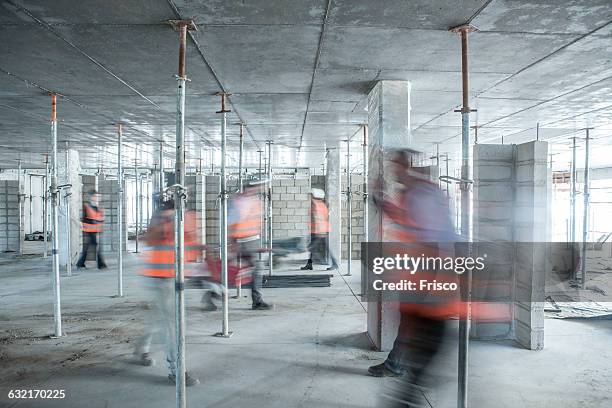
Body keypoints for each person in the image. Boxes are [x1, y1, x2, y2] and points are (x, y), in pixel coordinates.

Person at [367, 149, 457, 407]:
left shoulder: (422, 194)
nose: (392, 171)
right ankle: (401, 371)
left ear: (406, 166)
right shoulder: (414, 192)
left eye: (395, 165)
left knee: (426, 345)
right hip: (420, 282)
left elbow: (431, 237)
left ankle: (406, 382)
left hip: (430, 284)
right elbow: (405, 220)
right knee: (416, 334)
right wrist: (380, 199)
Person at [133, 198, 200, 386]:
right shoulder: (161, 216)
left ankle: (141, 348)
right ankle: (176, 370)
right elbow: (148, 239)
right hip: (160, 277)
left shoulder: (188, 215)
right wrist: (166, 220)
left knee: (159, 317)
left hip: (177, 277)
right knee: (172, 324)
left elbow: (191, 241)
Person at [228, 181, 271, 310]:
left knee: (253, 270)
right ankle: (257, 301)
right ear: (247, 189)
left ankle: (257, 300)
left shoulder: (254, 201)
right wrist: (232, 242)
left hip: (252, 241)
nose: (257, 191)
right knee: (251, 270)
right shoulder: (239, 203)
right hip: (242, 241)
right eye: (254, 189)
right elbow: (231, 222)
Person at [300, 188, 339, 271]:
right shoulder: (321, 204)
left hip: (319, 231)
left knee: (313, 248)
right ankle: (309, 264)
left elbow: (318, 218)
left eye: (311, 195)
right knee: (315, 249)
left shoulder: (315, 204)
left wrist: (319, 233)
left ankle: (335, 263)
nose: (309, 196)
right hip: (320, 230)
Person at [76, 190, 107, 269]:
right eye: (97, 196)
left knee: (88, 248)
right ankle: (101, 264)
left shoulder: (99, 207)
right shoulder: (87, 206)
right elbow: (88, 219)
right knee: (96, 247)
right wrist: (97, 220)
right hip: (90, 230)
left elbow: (101, 218)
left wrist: (99, 219)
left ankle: (80, 263)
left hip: (97, 230)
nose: (99, 198)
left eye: (99, 197)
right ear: (92, 197)